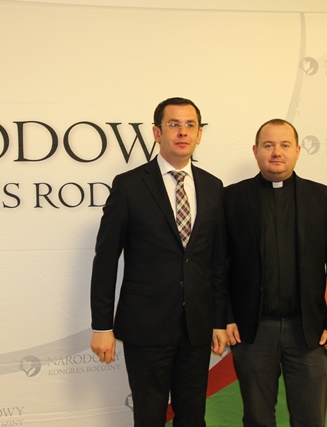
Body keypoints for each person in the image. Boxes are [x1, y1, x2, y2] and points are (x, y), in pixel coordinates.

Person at [90, 97, 228, 427]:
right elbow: (106, 259)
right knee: (150, 416)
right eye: (173, 124)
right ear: (156, 132)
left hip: (196, 327)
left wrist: (220, 320)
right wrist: (102, 326)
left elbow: (218, 261)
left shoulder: (213, 187)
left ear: (199, 134)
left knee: (192, 417)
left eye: (190, 125)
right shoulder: (129, 185)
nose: (182, 132)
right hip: (146, 326)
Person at [224, 118, 327, 427]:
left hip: (308, 331)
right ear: (256, 151)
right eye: (268, 145)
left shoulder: (325, 198)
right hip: (252, 331)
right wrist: (225, 316)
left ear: (297, 150)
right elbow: (219, 265)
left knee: (310, 419)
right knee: (257, 419)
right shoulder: (231, 199)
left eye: (285, 145)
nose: (276, 152)